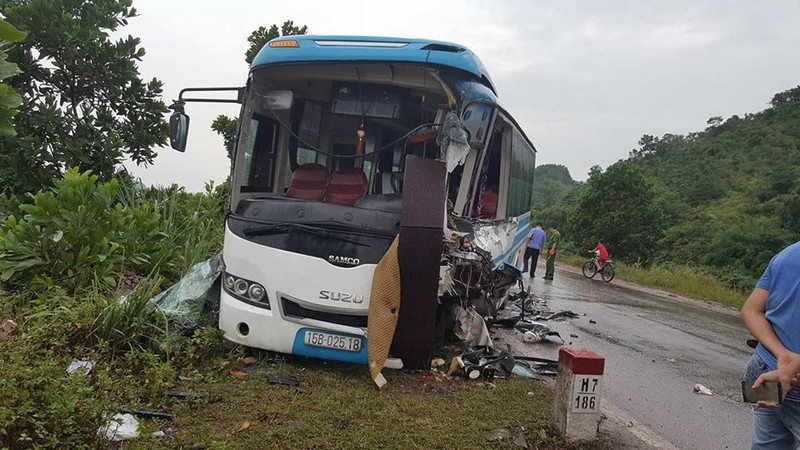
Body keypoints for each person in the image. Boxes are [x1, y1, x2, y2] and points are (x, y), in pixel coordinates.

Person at [741, 241, 800, 449]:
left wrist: (781, 354)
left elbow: (751, 310)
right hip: (791, 378)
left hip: (764, 368)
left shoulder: (788, 254)